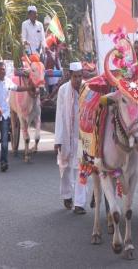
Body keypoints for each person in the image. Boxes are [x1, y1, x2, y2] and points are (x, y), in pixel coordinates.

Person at [54, 62, 87, 214]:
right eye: (75, 77)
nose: (78, 80)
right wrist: (58, 140)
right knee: (65, 167)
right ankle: (67, 195)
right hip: (67, 135)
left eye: (80, 76)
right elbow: (60, 115)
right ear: (69, 75)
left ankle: (80, 204)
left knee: (83, 168)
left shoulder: (87, 89)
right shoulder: (63, 90)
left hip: (83, 135)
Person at [0, 62, 31, 171]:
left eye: (4, 69)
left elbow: (17, 88)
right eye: (1, 69)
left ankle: (4, 162)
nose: (3, 71)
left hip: (5, 116)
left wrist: (29, 88)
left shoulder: (7, 82)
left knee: (5, 141)